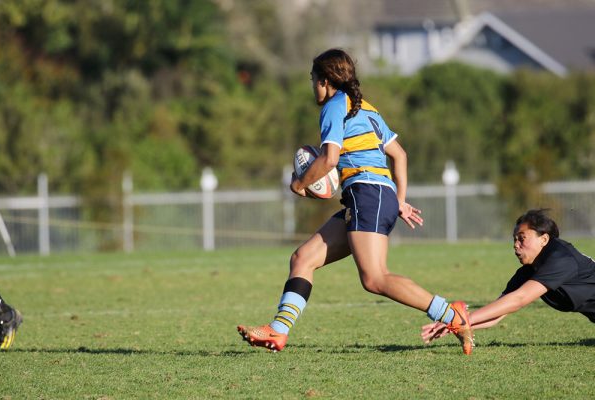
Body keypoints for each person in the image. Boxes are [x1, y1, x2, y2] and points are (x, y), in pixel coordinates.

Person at [237, 48, 473, 354]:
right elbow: (399, 155)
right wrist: (398, 200)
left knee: (375, 278)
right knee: (303, 258)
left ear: (324, 80)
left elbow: (329, 158)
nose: (312, 86)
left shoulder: (335, 106)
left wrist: (300, 183)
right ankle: (278, 331)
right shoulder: (368, 109)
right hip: (370, 196)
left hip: (368, 194)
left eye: (313, 79)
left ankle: (452, 315)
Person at [421, 208, 595, 347]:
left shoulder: (561, 259)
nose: (515, 245)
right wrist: (455, 324)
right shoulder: (529, 270)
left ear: (544, 239)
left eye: (522, 239)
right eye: (514, 240)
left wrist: (463, 320)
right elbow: (499, 313)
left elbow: (519, 299)